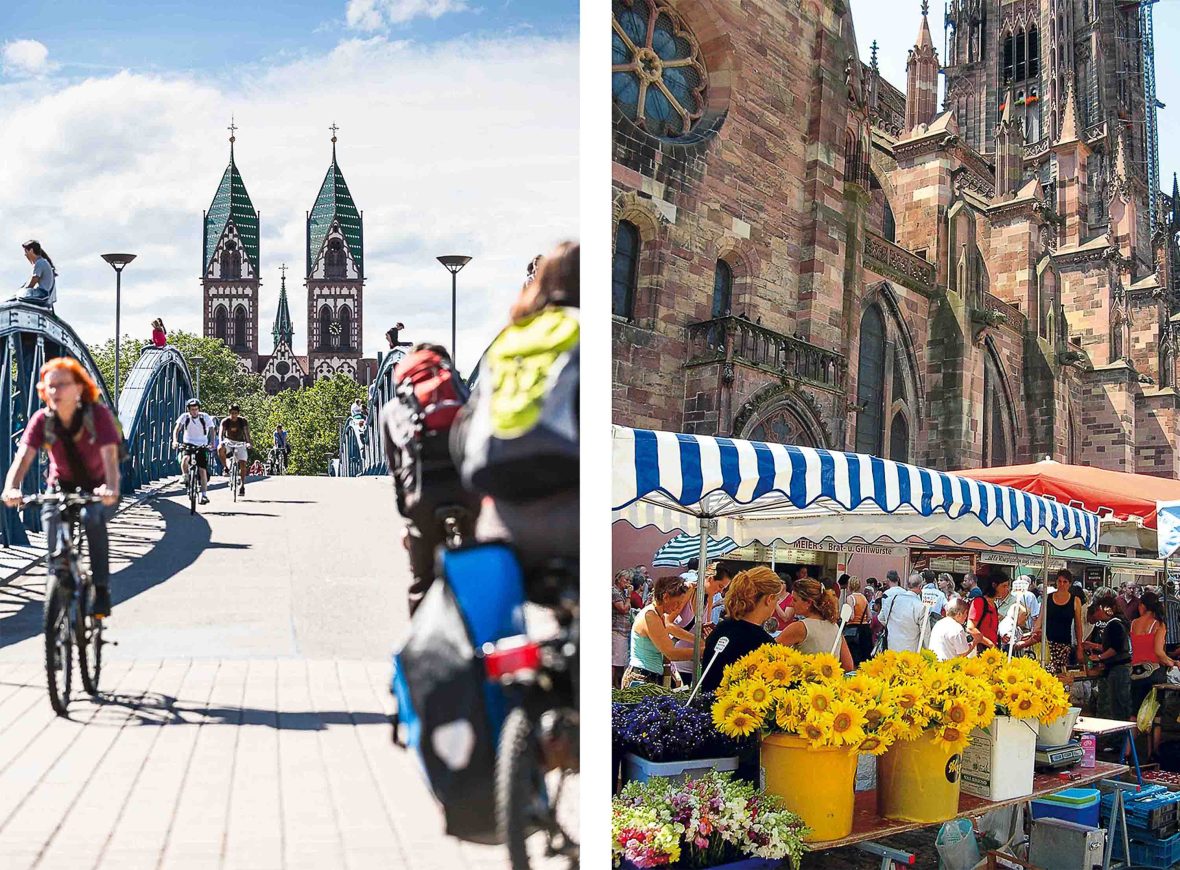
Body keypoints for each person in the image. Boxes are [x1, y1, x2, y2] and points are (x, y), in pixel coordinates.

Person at [450, 240, 578, 580]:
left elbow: (463, 430)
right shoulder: (579, 328)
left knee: (480, 603)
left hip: (501, 517)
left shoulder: (510, 338)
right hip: (568, 518)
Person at [2, 358, 120, 616]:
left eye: (62, 385)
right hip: (61, 485)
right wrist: (11, 487)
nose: (55, 391)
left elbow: (110, 456)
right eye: (50, 386)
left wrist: (110, 487)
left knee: (93, 517)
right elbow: (23, 457)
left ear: (79, 388)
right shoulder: (42, 420)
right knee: (52, 521)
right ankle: (60, 579)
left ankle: (100, 589)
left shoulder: (96, 415)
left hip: (97, 486)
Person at [381, 342, 480, 615]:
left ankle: (425, 648)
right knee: (477, 568)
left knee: (422, 582)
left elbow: (397, 471)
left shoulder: (393, 409)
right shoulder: (465, 397)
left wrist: (408, 518)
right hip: (468, 491)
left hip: (423, 495)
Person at [698, 566, 781, 694]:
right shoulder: (763, 643)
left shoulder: (720, 629)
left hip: (708, 708)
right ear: (769, 599)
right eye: (777, 599)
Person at [623, 575, 694, 688]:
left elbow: (671, 634)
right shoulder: (650, 617)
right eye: (677, 602)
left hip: (651, 676)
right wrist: (702, 651)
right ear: (666, 597)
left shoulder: (660, 615)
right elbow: (671, 653)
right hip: (641, 679)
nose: (678, 607)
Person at [671, 566, 731, 687]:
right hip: (678, 662)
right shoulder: (689, 591)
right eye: (720, 586)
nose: (720, 591)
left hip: (696, 662)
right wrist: (697, 640)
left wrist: (708, 634)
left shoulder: (709, 597)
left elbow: (705, 625)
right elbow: (668, 625)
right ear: (710, 579)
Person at [777, 578, 854, 671]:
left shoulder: (800, 627)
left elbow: (769, 652)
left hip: (804, 683)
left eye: (795, 600)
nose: (791, 603)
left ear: (808, 603)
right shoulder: (835, 626)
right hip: (831, 682)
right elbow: (848, 666)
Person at [1088, 591, 1133, 724]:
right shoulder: (1119, 622)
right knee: (1120, 704)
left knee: (1117, 706)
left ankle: (1118, 740)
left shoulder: (1114, 624)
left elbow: (1115, 648)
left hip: (1119, 668)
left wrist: (1099, 657)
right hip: (1121, 667)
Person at [1130, 590, 1177, 713]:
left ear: (1143, 606)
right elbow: (1158, 652)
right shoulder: (1158, 624)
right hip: (1153, 672)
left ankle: (1134, 733)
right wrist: (1172, 662)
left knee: (1135, 712)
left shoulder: (1134, 623)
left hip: (1135, 671)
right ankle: (1153, 733)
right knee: (1155, 713)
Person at [1033, 569, 1085, 674]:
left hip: (1064, 644)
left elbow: (1078, 626)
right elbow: (1040, 618)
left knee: (1062, 674)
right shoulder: (1047, 598)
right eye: (1059, 581)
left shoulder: (1075, 600)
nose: (1061, 584)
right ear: (1056, 582)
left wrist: (1080, 646)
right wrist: (1034, 632)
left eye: (1065, 582)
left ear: (1069, 584)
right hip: (1047, 643)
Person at [171, 398, 213, 504]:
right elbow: (177, 429)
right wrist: (175, 441)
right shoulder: (184, 417)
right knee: (185, 459)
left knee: (202, 470)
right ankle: (185, 476)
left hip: (202, 444)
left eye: (196, 409)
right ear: (188, 410)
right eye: (192, 409)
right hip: (188, 443)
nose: (194, 411)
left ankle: (204, 495)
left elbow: (212, 429)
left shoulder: (205, 417)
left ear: (199, 409)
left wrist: (212, 442)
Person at [881, 573, 927, 652]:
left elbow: (881, 618)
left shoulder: (891, 600)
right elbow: (925, 634)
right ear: (920, 587)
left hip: (891, 647)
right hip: (911, 651)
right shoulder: (921, 607)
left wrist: (892, 627)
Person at [967, 571, 1009, 653]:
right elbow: (971, 628)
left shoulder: (994, 605)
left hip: (991, 651)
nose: (1006, 589)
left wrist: (1000, 637)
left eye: (1007, 586)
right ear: (994, 585)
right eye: (1004, 586)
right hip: (979, 651)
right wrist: (990, 644)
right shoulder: (979, 602)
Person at [218, 404, 251, 496]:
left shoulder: (242, 421)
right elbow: (221, 432)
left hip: (240, 442)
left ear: (238, 413)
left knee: (243, 464)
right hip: (229, 441)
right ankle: (226, 467)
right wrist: (221, 442)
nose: (234, 415)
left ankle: (242, 485)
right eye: (232, 413)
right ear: (229, 413)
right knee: (220, 449)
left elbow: (246, 433)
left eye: (235, 413)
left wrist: (248, 443)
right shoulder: (225, 421)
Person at [15, 240, 57, 309]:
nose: (25, 255)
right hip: (46, 296)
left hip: (42, 295)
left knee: (20, 294)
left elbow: (31, 284)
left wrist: (19, 293)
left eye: (26, 252)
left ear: (31, 250)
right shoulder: (43, 262)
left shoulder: (39, 263)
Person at [930, 597, 972, 661]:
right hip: (948, 667)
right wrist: (974, 642)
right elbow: (963, 654)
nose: (966, 616)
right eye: (966, 613)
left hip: (934, 664)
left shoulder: (939, 623)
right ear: (959, 614)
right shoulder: (957, 628)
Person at [612, 569, 634, 687]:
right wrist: (629, 596)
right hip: (617, 630)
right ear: (618, 579)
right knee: (616, 661)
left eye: (630, 580)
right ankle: (613, 686)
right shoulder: (615, 592)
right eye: (626, 580)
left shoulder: (621, 593)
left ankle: (616, 684)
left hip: (623, 631)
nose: (628, 583)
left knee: (620, 661)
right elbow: (623, 609)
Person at [844, 576, 873, 666]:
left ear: (850, 585)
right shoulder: (864, 598)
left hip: (853, 630)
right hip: (865, 629)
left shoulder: (850, 598)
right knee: (864, 658)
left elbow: (851, 616)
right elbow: (870, 616)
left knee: (854, 657)